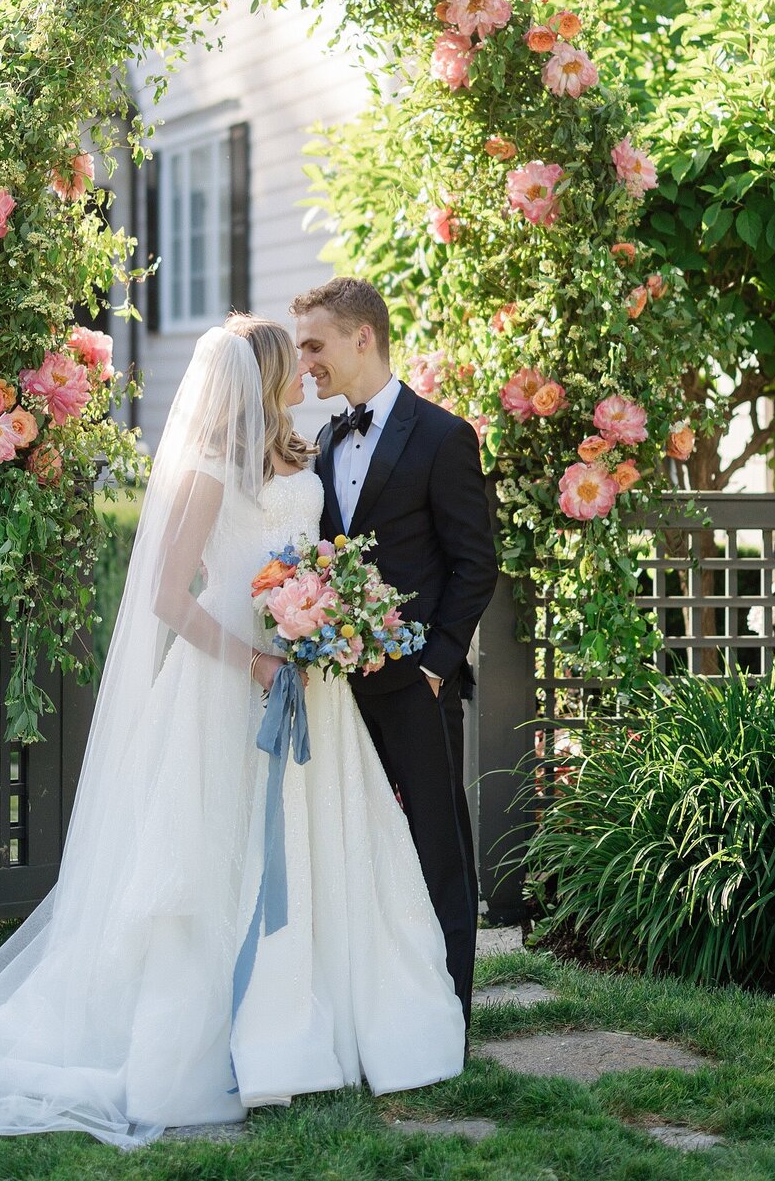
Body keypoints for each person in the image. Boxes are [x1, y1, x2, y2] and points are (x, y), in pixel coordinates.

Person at [0, 315, 465, 1148]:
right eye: (287, 361)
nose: (296, 373)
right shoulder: (209, 468)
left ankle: (326, 1021)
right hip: (226, 681)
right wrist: (254, 661)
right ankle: (227, 1029)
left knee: (319, 844)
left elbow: (311, 545)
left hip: (307, 675)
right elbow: (174, 598)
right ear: (259, 374)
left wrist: (326, 611)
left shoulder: (292, 449)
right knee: (216, 852)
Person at [292, 277, 498, 1035]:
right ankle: (372, 1006)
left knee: (438, 851)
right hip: (338, 689)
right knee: (356, 845)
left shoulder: (444, 437)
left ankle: (449, 1016)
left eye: (315, 344)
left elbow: (477, 563)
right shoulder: (319, 443)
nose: (304, 360)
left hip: (419, 688)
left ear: (361, 339)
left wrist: (437, 667)